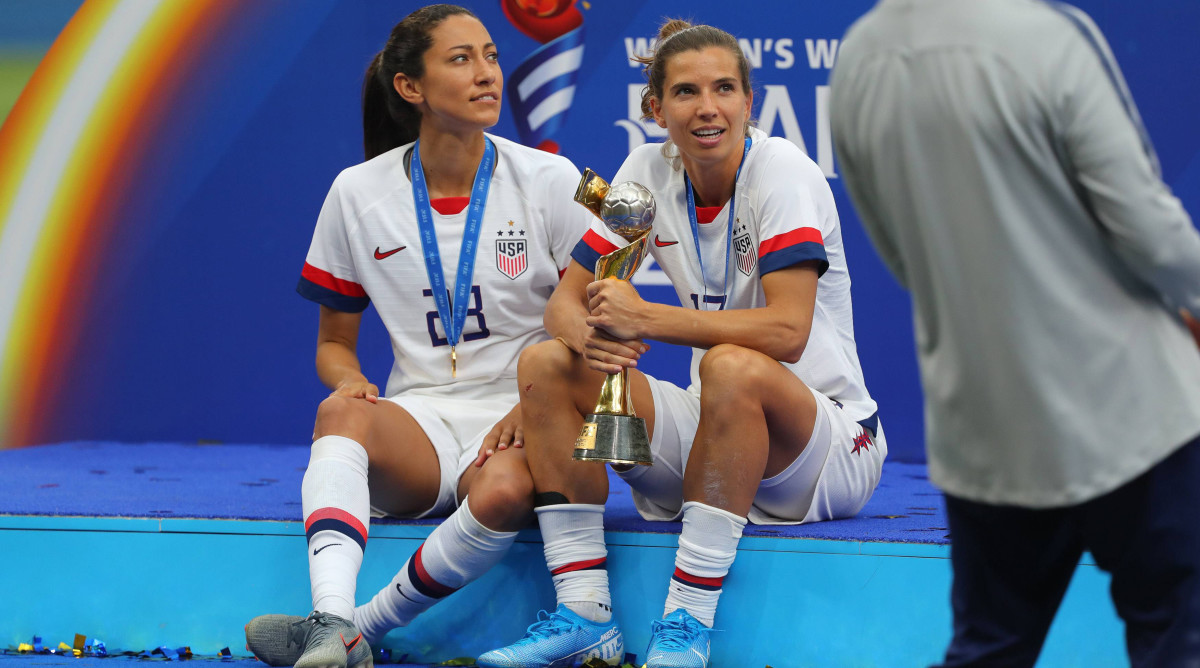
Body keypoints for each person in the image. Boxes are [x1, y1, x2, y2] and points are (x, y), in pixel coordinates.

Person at [477, 19, 887, 668]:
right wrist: (586, 353)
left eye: (725, 89)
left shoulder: (784, 174)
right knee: (546, 363)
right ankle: (586, 614)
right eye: (687, 92)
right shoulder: (643, 175)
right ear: (655, 109)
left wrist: (647, 320)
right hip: (719, 433)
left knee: (732, 368)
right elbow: (563, 301)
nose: (708, 108)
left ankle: (685, 629)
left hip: (829, 445)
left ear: (749, 103)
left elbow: (788, 331)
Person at [829, 1, 1200, 666]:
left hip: (984, 429)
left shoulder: (855, 61)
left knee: (991, 647)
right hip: (1130, 414)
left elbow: (901, 258)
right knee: (1178, 634)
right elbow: (1148, 229)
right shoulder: (1048, 37)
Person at [242, 6, 593, 668]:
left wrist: (540, 402)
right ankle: (331, 616)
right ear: (411, 87)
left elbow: (596, 324)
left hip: (524, 414)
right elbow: (332, 344)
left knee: (505, 492)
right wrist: (348, 378)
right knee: (338, 412)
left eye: (490, 55)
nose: (487, 73)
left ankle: (357, 633)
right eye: (461, 59)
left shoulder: (551, 180)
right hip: (422, 422)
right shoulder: (356, 192)